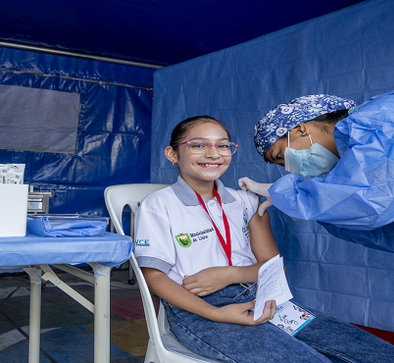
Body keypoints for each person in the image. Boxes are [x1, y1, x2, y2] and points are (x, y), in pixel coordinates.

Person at [134, 115, 394, 362]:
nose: (213, 153)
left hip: (265, 299)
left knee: (377, 354)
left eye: (223, 145)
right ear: (172, 154)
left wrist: (228, 274)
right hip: (199, 309)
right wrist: (216, 312)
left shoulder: (248, 201)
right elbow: (154, 276)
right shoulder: (158, 205)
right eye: (198, 145)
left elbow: (273, 267)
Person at [239, 92, 394, 252]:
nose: (289, 168)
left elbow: (371, 202)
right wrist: (319, 206)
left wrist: (296, 195)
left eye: (280, 156)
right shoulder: (354, 152)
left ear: (300, 129)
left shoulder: (376, 122)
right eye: (280, 164)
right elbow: (379, 232)